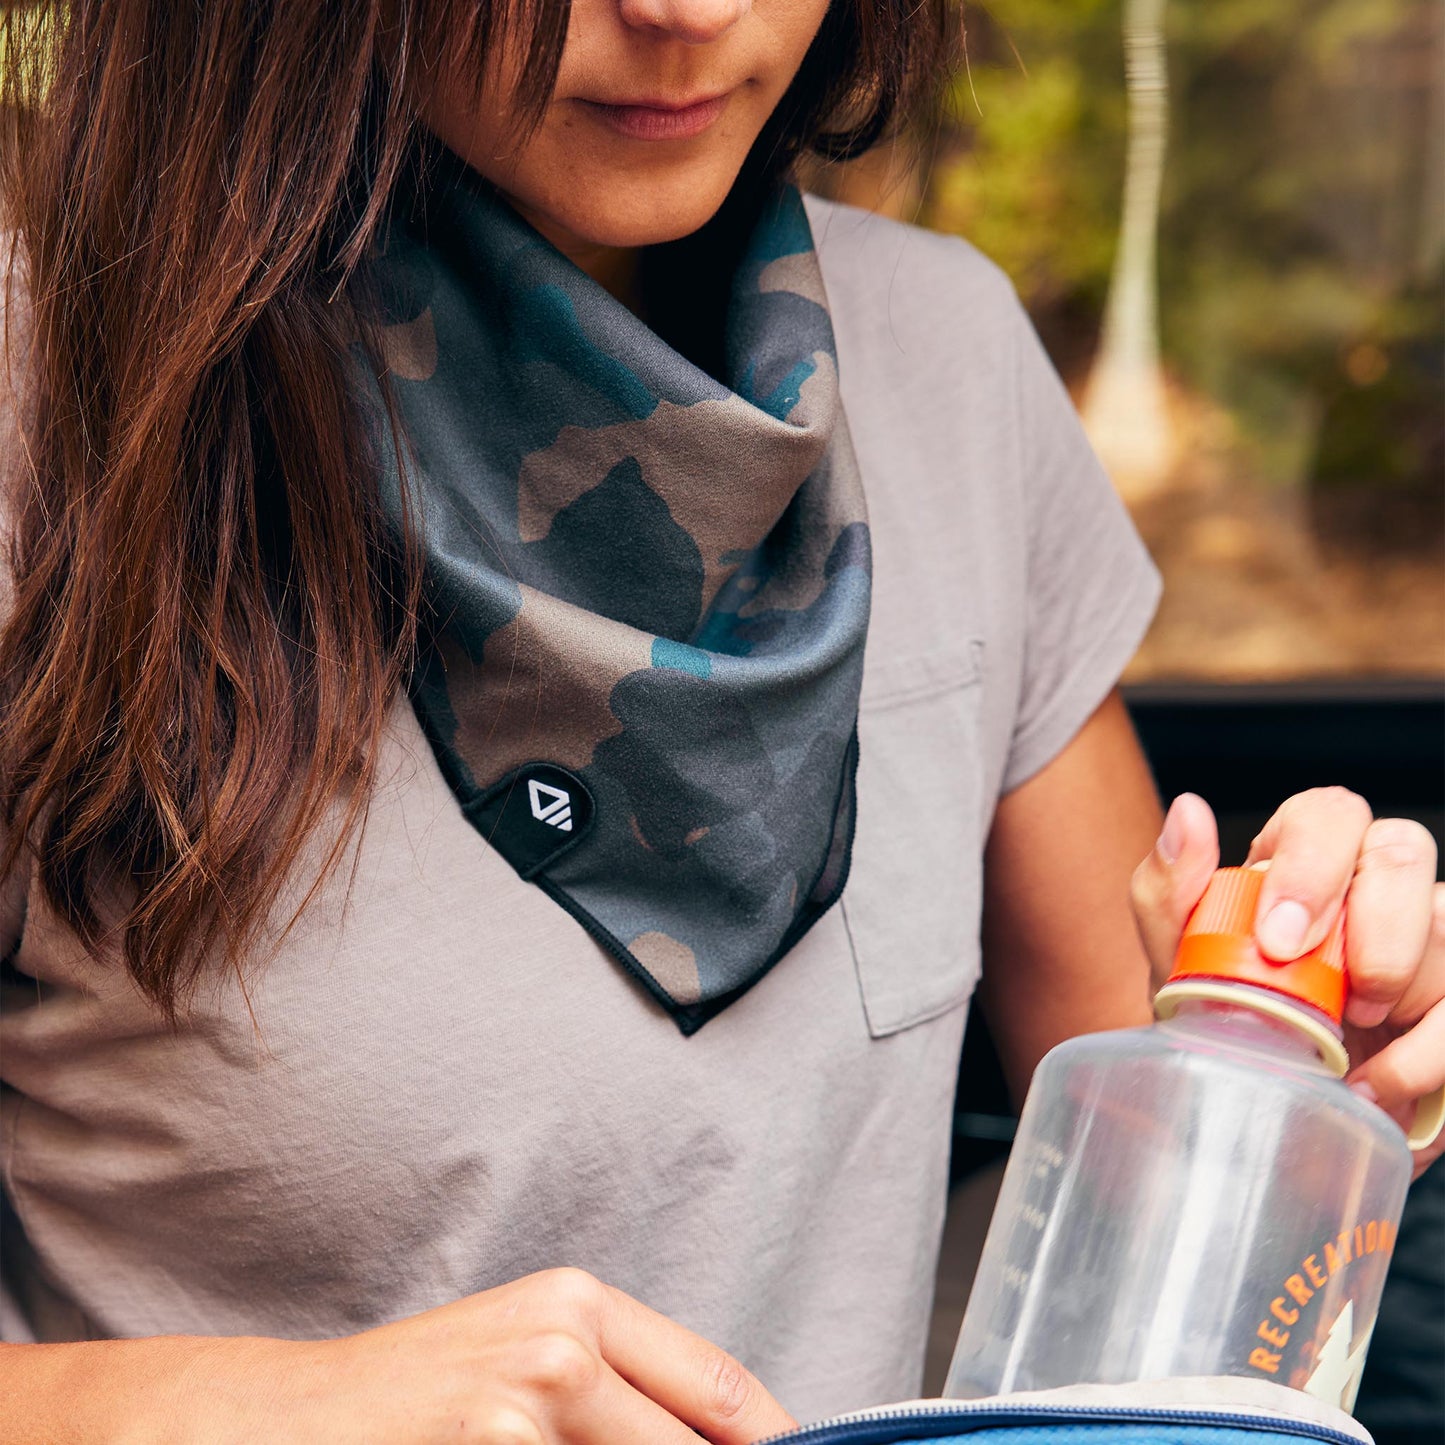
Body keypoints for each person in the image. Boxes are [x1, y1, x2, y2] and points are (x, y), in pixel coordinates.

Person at [0, 3, 1439, 1441]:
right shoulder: (42, 391)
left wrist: (1303, 1069)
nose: (686, 8)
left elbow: (1154, 1245)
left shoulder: (942, 360)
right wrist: (266, 1410)